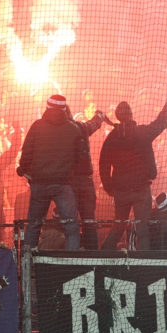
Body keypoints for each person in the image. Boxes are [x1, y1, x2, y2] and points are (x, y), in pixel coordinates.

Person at [99, 82, 167, 250]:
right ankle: (144, 264)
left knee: (118, 227)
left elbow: (103, 165)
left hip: (121, 190)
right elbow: (162, 121)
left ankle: (100, 258)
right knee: (143, 229)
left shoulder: (112, 138)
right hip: (141, 189)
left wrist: (109, 188)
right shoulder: (142, 133)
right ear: (131, 114)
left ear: (117, 115)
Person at [17, 94, 86, 251]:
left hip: (40, 183)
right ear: (64, 108)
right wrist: (68, 172)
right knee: (71, 228)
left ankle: (28, 267)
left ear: (47, 106)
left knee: (34, 226)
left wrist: (22, 170)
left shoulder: (37, 126)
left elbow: (26, 153)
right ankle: (71, 267)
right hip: (63, 185)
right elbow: (80, 158)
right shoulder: (73, 129)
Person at [66, 105, 105, 250]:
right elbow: (93, 124)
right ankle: (91, 257)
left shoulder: (57, 133)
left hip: (68, 182)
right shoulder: (81, 128)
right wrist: (99, 115)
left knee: (71, 222)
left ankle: (72, 257)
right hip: (85, 181)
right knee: (89, 222)